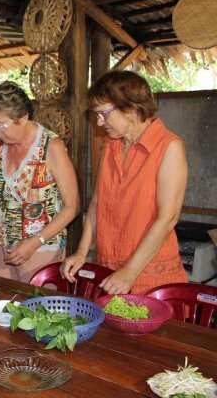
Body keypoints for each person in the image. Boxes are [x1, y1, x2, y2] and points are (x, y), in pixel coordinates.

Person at [61, 71, 188, 294]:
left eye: (103, 114)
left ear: (130, 108)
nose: (99, 123)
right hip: (108, 268)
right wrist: (82, 252)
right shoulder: (111, 146)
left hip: (149, 274)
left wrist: (130, 271)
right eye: (96, 115)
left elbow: (168, 218)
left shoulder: (169, 147)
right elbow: (97, 203)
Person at [0, 81, 79, 283]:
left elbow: (72, 207)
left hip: (42, 248)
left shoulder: (50, 147)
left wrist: (35, 242)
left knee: (35, 310)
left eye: (0, 125)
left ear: (23, 118)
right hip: (2, 245)